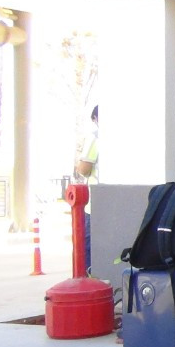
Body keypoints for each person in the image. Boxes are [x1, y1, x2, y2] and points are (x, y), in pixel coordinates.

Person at [74, 105, 99, 274]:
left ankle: (88, 276)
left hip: (94, 200)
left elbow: (84, 168)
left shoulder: (96, 138)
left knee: (87, 244)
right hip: (110, 200)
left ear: (96, 119)